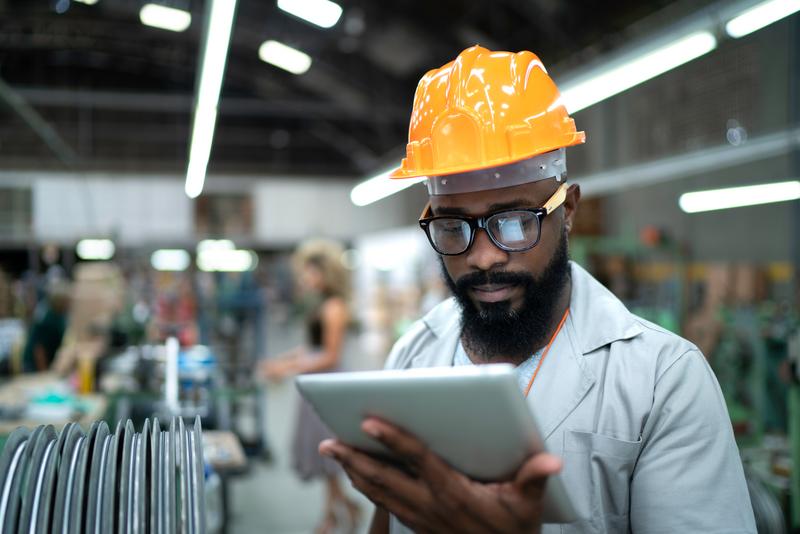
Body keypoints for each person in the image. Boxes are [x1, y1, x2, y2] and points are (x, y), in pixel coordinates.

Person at [319, 46, 756, 533]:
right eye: (452, 226)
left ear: (566, 209)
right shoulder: (415, 354)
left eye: (512, 222)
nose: (483, 257)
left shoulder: (663, 382)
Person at [261, 239, 361, 533]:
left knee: (329, 454)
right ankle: (343, 509)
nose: (306, 278)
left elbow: (330, 355)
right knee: (324, 455)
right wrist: (281, 361)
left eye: (311, 272)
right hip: (318, 383)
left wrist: (288, 368)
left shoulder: (334, 307)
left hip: (330, 385)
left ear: (326, 273)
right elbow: (311, 347)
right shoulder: (321, 305)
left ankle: (331, 516)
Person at [22, 280, 70, 372]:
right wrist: (43, 373)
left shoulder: (59, 316)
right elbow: (39, 349)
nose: (68, 303)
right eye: (66, 301)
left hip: (47, 361)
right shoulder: (47, 320)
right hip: (33, 365)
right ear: (58, 301)